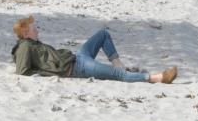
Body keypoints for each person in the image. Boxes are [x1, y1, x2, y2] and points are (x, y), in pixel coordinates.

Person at [11, 16, 178, 84]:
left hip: (78, 57)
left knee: (103, 34)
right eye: (34, 29)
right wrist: (48, 73)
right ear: (25, 33)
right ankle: (158, 78)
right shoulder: (25, 47)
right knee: (118, 76)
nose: (37, 31)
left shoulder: (32, 44)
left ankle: (118, 64)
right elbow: (23, 71)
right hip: (77, 68)